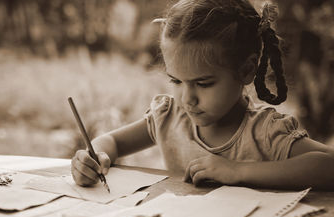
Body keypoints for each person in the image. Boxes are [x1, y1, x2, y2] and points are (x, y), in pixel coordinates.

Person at [71, 0, 334, 190]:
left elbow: (329, 166)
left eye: (203, 83)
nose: (187, 99)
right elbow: (111, 143)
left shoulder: (264, 132)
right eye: (176, 80)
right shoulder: (169, 118)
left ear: (246, 71)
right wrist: (93, 158)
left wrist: (238, 171)